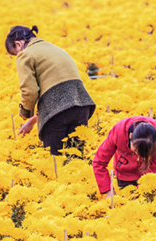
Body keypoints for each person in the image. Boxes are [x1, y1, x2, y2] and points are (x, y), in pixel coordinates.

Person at [6, 25, 96, 155]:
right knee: (75, 160)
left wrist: (25, 113)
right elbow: (63, 94)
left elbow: (30, 90)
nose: (17, 56)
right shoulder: (56, 49)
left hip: (57, 114)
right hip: (81, 106)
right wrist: (33, 120)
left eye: (15, 53)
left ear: (18, 44)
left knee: (55, 162)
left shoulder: (25, 54)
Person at [93, 116, 156, 197]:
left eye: (144, 153)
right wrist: (108, 190)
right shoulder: (118, 131)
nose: (138, 156)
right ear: (130, 136)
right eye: (136, 151)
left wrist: (140, 191)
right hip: (125, 172)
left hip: (151, 171)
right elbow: (99, 162)